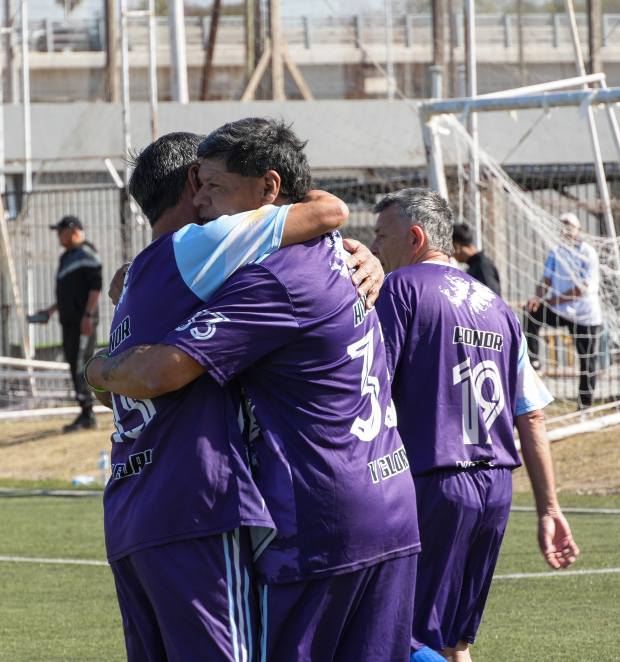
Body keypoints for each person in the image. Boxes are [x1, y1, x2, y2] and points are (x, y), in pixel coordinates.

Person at [88, 118, 421, 662]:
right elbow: (327, 212)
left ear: (267, 189)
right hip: (390, 498)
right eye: (203, 186)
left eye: (216, 186)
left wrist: (95, 367)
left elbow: (158, 373)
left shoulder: (260, 274)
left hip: (314, 516)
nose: (206, 202)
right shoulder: (336, 255)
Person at [369, 189, 579, 662]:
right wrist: (549, 507)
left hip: (434, 483)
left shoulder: (400, 291)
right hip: (495, 491)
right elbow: (531, 412)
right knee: (453, 643)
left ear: (416, 237)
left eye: (382, 236)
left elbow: (369, 389)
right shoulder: (499, 309)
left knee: (401, 635)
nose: (374, 248)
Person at [525, 212, 602, 409]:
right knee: (531, 313)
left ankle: (585, 406)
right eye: (561, 226)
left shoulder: (587, 252)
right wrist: (537, 298)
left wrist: (554, 300)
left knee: (587, 361)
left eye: (568, 226)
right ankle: (534, 361)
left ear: (579, 230)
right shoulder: (556, 251)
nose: (563, 230)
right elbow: (546, 279)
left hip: (585, 315)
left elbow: (582, 287)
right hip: (562, 311)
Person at [34, 215, 102, 433]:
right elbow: (69, 292)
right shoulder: (66, 257)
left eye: (60, 230)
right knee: (74, 365)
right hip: (69, 322)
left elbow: (96, 284)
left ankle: (89, 414)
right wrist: (51, 311)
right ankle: (84, 412)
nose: (57, 236)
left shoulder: (86, 252)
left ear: (73, 230)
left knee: (82, 364)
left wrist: (89, 314)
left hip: (83, 322)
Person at [450, 222, 501, 296]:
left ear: (456, 247)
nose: (451, 255)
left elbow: (492, 300)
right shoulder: (475, 266)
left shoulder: (483, 266)